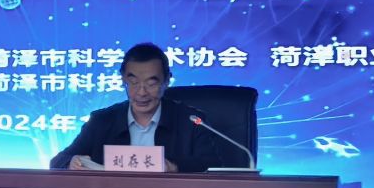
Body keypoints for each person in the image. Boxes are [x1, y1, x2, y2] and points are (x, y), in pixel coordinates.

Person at [49, 42, 243, 173]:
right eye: (133, 82)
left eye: (151, 83)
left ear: (166, 81)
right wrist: (71, 162)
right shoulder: (102, 121)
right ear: (123, 80)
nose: (141, 92)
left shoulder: (191, 121)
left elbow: (212, 166)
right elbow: (57, 161)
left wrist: (174, 167)